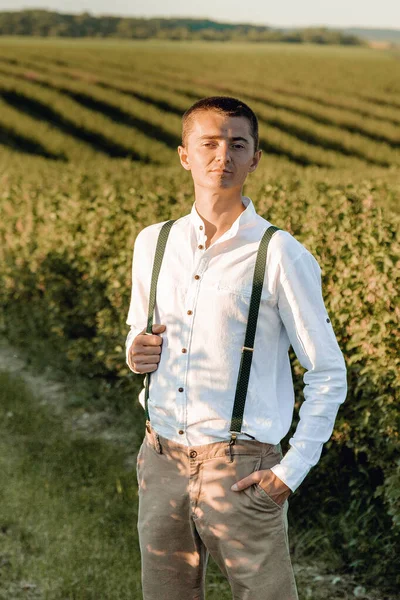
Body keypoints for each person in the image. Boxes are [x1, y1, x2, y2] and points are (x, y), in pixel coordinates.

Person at [125, 96, 347, 600]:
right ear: (185, 155)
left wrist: (290, 471)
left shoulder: (280, 253)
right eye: (208, 143)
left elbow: (328, 372)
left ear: (255, 158)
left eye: (236, 144)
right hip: (161, 457)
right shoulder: (153, 243)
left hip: (242, 467)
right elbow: (139, 332)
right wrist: (133, 350)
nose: (221, 155)